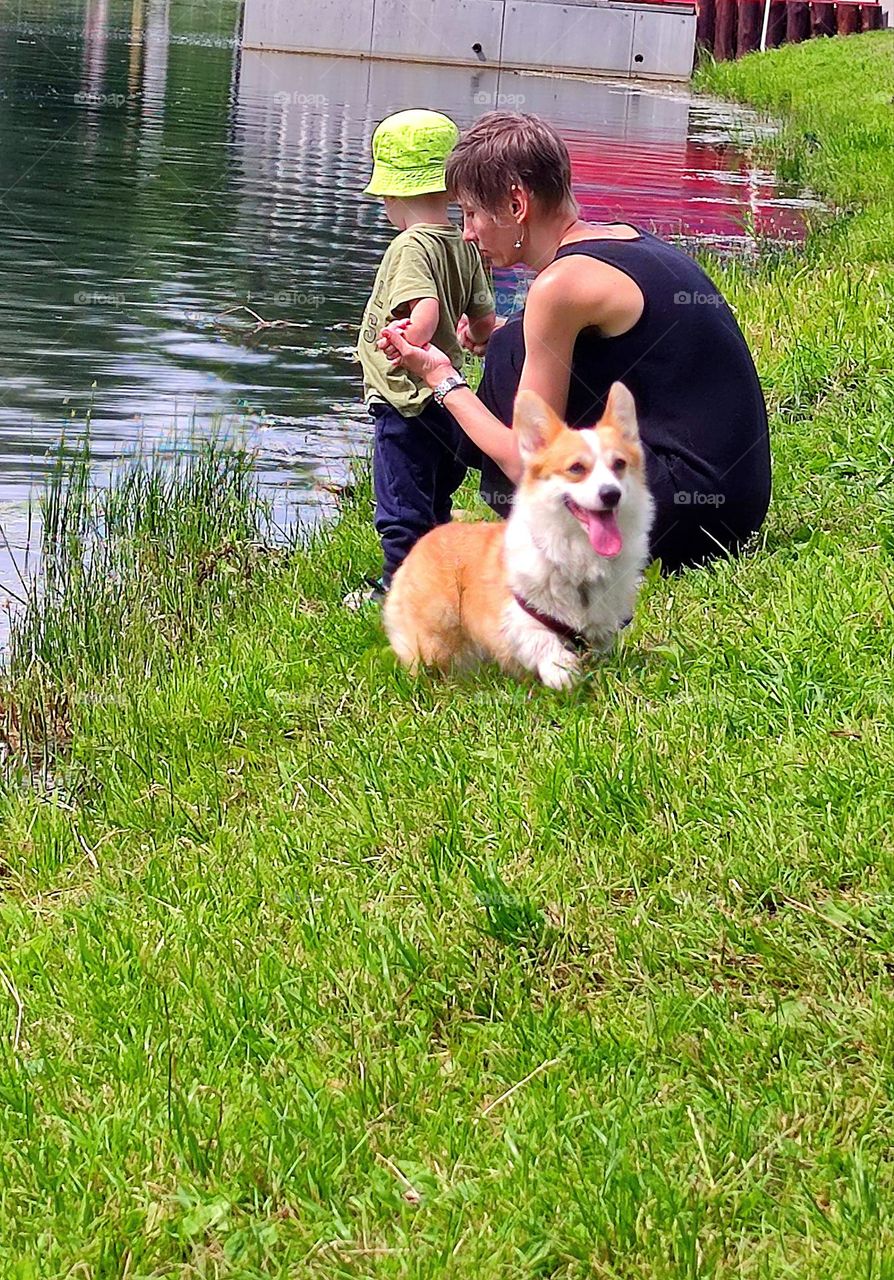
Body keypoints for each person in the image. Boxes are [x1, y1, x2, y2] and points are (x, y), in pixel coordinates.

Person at [380, 112, 771, 575]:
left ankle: (434, 522)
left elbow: (529, 461)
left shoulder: (559, 286)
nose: (466, 233)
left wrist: (441, 377)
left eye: (470, 213)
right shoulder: (622, 240)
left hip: (690, 517)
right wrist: (500, 332)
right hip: (735, 500)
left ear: (516, 205)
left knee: (511, 358)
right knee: (512, 341)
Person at [346, 108, 496, 608]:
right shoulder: (465, 243)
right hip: (447, 401)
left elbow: (424, 304)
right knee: (434, 500)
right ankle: (440, 577)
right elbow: (482, 314)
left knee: (400, 504)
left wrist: (413, 336)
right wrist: (476, 335)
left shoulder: (410, 244)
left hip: (405, 401)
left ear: (391, 196)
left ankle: (399, 588)